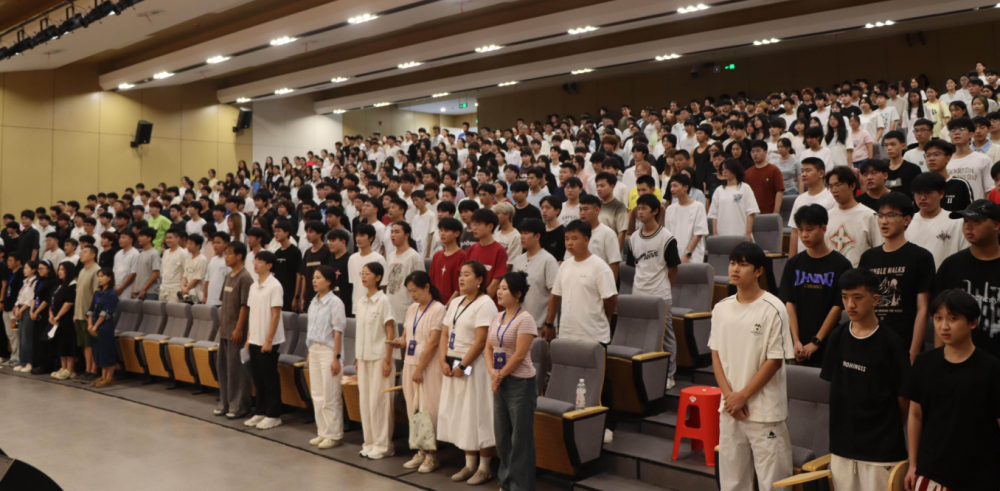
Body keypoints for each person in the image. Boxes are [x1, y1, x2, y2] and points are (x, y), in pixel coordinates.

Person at [709, 242, 794, 491]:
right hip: (730, 409)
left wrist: (743, 396)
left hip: (765, 412)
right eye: (733, 263)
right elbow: (716, 354)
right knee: (733, 482)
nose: (735, 269)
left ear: (759, 271)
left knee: (773, 483)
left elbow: (774, 360)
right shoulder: (721, 308)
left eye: (743, 264)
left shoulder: (774, 307)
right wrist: (730, 397)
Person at [820, 268, 910, 491]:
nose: (850, 304)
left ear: (875, 299)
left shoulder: (892, 343)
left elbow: (903, 398)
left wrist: (886, 429)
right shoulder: (837, 337)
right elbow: (834, 387)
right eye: (845, 297)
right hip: (842, 446)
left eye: (857, 297)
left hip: (881, 449)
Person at [903, 289, 1000, 491]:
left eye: (953, 318)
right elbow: (915, 414)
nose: (944, 326)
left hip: (979, 476)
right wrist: (913, 464)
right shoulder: (924, 363)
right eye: (938, 318)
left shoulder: (991, 369)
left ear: (972, 322)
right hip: (930, 471)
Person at [438, 260, 499, 484]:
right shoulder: (456, 302)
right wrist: (442, 360)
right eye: (460, 275)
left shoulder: (485, 304)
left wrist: (463, 365)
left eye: (467, 275)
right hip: (453, 362)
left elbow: (482, 340)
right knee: (463, 414)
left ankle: (485, 467)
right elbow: (445, 334)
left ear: (480, 279)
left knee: (478, 413)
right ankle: (469, 464)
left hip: (475, 365)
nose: (461, 279)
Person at [780, 205, 851, 367]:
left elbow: (837, 307)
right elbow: (789, 302)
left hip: (828, 341)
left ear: (823, 228)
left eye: (809, 229)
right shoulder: (793, 264)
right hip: (797, 343)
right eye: (800, 230)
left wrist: (816, 341)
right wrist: (795, 341)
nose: (804, 235)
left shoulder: (841, 265)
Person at [485, 272, 537, 491]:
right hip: (500, 381)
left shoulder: (525, 319)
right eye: (499, 288)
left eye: (504, 289)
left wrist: (500, 375)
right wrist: (493, 373)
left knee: (520, 440)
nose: (499, 292)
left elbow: (519, 355)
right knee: (503, 437)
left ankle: (521, 487)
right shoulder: (497, 317)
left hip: (520, 384)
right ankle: (505, 483)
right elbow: (488, 349)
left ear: (517, 293)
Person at [391, 271, 446, 473]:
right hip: (410, 363)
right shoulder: (412, 308)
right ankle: (420, 451)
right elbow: (407, 336)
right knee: (412, 408)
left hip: (428, 366)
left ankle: (433, 455)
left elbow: (433, 343)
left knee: (429, 409)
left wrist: (421, 368)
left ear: (427, 287)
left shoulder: (438, 309)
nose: (412, 295)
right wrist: (400, 341)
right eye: (409, 291)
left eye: (415, 290)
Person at [624, 194, 681, 388]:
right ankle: (644, 375)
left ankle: (669, 375)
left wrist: (665, 289)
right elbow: (634, 266)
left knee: (666, 336)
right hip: (639, 294)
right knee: (641, 334)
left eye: (644, 208)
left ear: (655, 211)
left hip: (660, 295)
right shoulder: (633, 238)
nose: (639, 212)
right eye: (638, 208)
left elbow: (673, 269)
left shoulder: (667, 237)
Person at [933, 199, 1000, 358]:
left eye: (977, 222)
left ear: (996, 225)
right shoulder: (951, 265)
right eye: (966, 221)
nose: (969, 227)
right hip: (959, 359)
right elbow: (939, 314)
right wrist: (939, 357)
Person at [354, 262, 397, 459]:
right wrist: (357, 357)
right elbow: (360, 332)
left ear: (378, 278)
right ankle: (369, 442)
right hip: (363, 357)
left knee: (379, 402)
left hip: (380, 357)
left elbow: (390, 331)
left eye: (368, 273)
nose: (364, 276)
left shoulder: (384, 301)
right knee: (365, 402)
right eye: (362, 273)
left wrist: (388, 360)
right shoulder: (361, 301)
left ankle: (384, 445)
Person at [306, 266, 347, 450]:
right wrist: (309, 351)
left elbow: (338, 332)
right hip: (314, 349)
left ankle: (334, 434)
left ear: (329, 281)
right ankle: (322, 432)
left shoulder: (335, 303)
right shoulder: (313, 302)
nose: (314, 281)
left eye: (318, 277)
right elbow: (311, 330)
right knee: (317, 394)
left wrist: (336, 357)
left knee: (330, 395)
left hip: (329, 352)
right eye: (313, 277)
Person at [243, 251, 285, 431]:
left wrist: (269, 340)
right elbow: (252, 313)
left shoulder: (274, 286)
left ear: (269, 265)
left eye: (260, 261)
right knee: (258, 378)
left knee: (269, 379)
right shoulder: (254, 286)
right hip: (255, 338)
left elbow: (276, 316)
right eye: (255, 261)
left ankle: (274, 415)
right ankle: (260, 411)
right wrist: (249, 338)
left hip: (269, 341)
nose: (256, 264)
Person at [213, 241, 254, 420]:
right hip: (225, 331)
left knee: (237, 371)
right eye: (225, 253)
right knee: (223, 370)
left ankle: (239, 407)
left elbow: (245, 306)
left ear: (239, 256)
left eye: (229, 253)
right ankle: (225, 404)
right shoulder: (228, 276)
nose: (226, 256)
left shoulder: (245, 277)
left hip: (237, 333)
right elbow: (225, 304)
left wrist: (238, 329)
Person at [907, 173, 969, 270]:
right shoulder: (907, 222)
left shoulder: (957, 221)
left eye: (928, 193)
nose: (922, 198)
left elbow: (966, 255)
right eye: (918, 193)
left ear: (941, 193)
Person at [824, 167, 883, 267]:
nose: (834, 190)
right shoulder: (827, 216)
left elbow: (879, 250)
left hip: (859, 274)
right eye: (831, 186)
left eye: (839, 185)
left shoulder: (869, 215)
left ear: (852, 186)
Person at [510, 218, 559, 328]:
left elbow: (554, 294)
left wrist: (549, 323)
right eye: (521, 233)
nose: (522, 236)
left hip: (540, 324)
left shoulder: (548, 260)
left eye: (526, 233)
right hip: (518, 322)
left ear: (537, 236)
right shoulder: (517, 260)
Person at [382, 222, 425, 327]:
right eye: (392, 232)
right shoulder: (390, 256)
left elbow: (422, 286)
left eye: (397, 232)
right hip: (390, 309)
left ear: (406, 235)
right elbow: (386, 283)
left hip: (407, 309)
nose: (393, 235)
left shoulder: (414, 257)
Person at [708, 159, 759, 241]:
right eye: (723, 169)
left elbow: (751, 212)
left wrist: (748, 232)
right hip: (722, 235)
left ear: (735, 170)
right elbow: (714, 214)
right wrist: (715, 233)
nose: (724, 172)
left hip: (741, 234)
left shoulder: (745, 188)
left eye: (727, 169)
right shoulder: (718, 190)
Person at [664, 174, 709, 263]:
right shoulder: (670, 209)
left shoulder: (698, 207)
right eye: (671, 186)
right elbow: (668, 234)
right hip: (674, 255)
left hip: (693, 255)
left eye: (675, 186)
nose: (672, 189)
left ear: (686, 187)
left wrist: (687, 254)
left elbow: (699, 233)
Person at [946, 117, 994, 200]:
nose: (956, 133)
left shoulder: (983, 160)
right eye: (953, 130)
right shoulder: (946, 161)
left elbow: (989, 190)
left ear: (971, 134)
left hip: (976, 207)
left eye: (961, 129)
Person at [86, 267, 119, 387]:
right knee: (98, 351)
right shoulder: (98, 293)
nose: (99, 279)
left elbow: (106, 312)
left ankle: (109, 378)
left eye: (102, 276)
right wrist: (90, 324)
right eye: (98, 276)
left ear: (109, 277)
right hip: (95, 326)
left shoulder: (112, 293)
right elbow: (91, 310)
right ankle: (103, 376)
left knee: (107, 351)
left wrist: (95, 325)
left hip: (105, 326)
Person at [72, 246, 100, 382]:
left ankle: (94, 370)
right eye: (81, 252)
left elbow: (96, 295)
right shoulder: (82, 270)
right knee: (85, 344)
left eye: (85, 252)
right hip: (79, 313)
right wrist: (75, 313)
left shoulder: (97, 270)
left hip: (89, 315)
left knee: (92, 343)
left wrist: (91, 315)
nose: (81, 255)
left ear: (93, 255)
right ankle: (87, 369)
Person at [923, 139, 974, 212]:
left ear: (948, 158)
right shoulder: (921, 184)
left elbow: (969, 212)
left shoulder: (960, 184)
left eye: (936, 155)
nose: (931, 158)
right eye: (928, 155)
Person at [347, 224, 385, 317]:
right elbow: (353, 283)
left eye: (362, 235)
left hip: (374, 307)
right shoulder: (352, 258)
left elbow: (383, 285)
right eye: (357, 235)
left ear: (371, 238)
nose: (358, 239)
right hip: (357, 305)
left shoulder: (378, 258)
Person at [48, 262, 77, 380]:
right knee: (60, 343)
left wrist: (58, 316)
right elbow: (52, 301)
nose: (59, 272)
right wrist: (51, 315)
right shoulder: (59, 284)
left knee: (68, 343)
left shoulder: (72, 284)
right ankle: (63, 367)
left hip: (67, 318)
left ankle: (70, 369)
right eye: (59, 269)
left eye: (62, 270)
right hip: (56, 318)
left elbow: (69, 303)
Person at [429, 218, 466, 303]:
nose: (442, 233)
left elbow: (459, 287)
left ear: (457, 233)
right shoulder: (437, 256)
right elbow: (431, 281)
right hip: (435, 303)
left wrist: (449, 305)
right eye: (440, 230)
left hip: (453, 303)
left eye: (446, 231)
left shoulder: (463, 256)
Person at [745, 140, 785, 215]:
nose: (755, 154)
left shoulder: (774, 170)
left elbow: (779, 191)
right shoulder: (747, 173)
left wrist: (776, 212)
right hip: (751, 214)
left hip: (769, 213)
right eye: (753, 151)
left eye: (758, 151)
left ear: (766, 152)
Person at [299, 221, 331, 311]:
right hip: (309, 296)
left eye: (311, 232)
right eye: (307, 232)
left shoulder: (327, 250)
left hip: (323, 297)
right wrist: (302, 296)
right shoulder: (307, 252)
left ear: (320, 233)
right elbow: (304, 276)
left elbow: (330, 275)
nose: (308, 235)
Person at [271, 222, 301, 311]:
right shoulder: (277, 253)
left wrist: (296, 296)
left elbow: (298, 275)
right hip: (278, 293)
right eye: (275, 231)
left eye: (279, 231)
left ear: (286, 233)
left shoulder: (295, 252)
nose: (276, 234)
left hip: (290, 294)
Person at [325, 229, 353, 315]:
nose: (330, 243)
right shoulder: (329, 259)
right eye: (329, 241)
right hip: (331, 303)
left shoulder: (351, 259)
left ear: (343, 242)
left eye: (333, 240)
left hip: (346, 304)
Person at [159, 229, 189, 303]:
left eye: (170, 238)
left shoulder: (183, 253)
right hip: (163, 289)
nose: (168, 240)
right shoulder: (165, 253)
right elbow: (162, 271)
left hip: (175, 290)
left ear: (177, 238)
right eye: (167, 238)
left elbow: (187, 273)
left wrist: (183, 288)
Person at [133, 228, 161, 300]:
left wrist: (144, 288)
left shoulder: (154, 253)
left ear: (149, 238)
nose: (139, 238)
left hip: (150, 292)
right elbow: (138, 274)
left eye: (142, 236)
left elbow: (156, 273)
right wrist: (134, 289)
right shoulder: (141, 254)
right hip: (139, 291)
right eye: (139, 236)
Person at [113, 231, 139, 299]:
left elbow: (133, 273)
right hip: (116, 287)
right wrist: (114, 285)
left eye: (123, 237)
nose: (120, 240)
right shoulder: (118, 253)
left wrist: (122, 287)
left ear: (131, 240)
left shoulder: (135, 254)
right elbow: (114, 271)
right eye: (120, 238)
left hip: (127, 288)